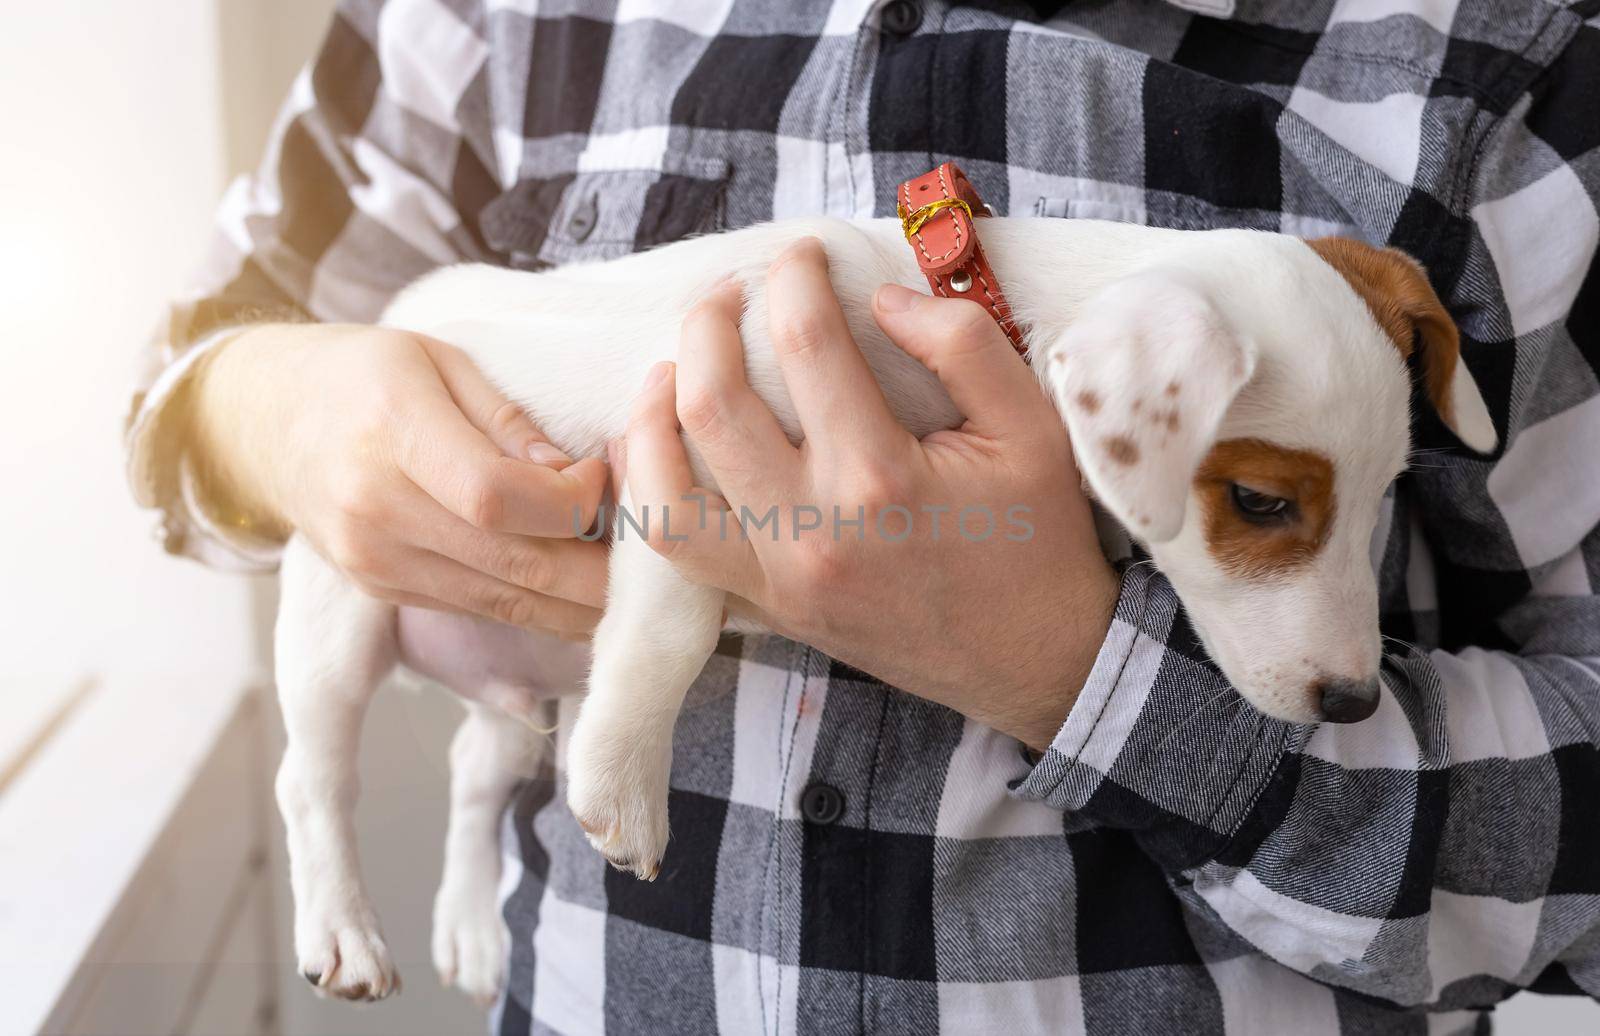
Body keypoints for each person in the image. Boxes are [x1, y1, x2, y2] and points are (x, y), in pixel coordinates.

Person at [127, 0, 1600, 1031]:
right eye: (1273, 511)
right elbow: (183, 380)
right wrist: (282, 407)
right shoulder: (501, 17)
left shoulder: (1498, 59)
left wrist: (1073, 669)